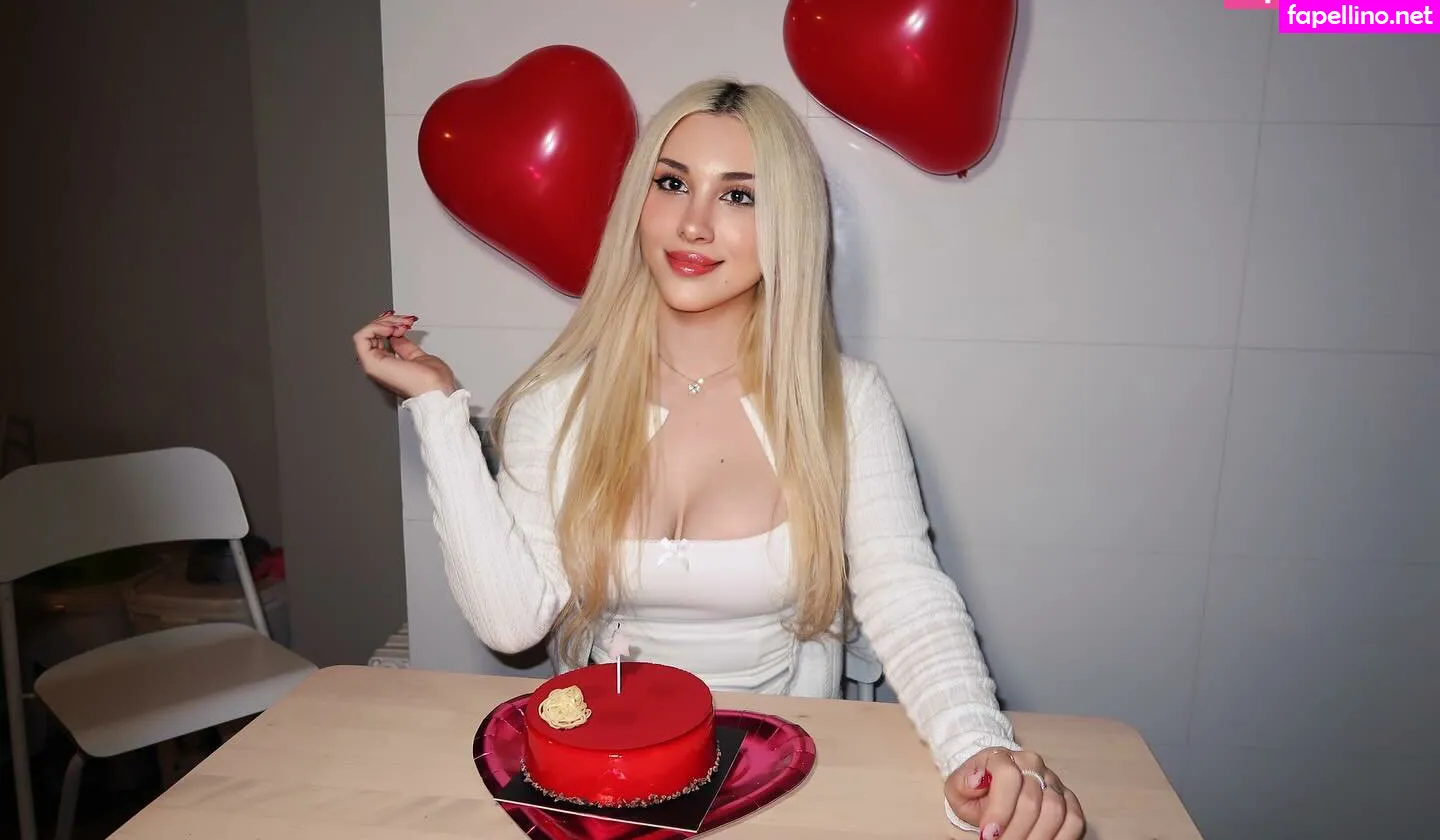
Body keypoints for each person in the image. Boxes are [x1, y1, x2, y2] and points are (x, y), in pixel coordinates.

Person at [355, 77, 1085, 840]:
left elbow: (907, 596)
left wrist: (978, 747)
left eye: (739, 196)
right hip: (610, 796)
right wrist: (436, 408)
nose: (694, 224)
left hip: (791, 787)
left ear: (787, 226)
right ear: (639, 204)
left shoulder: (848, 402)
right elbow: (510, 624)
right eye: (672, 184)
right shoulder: (557, 406)